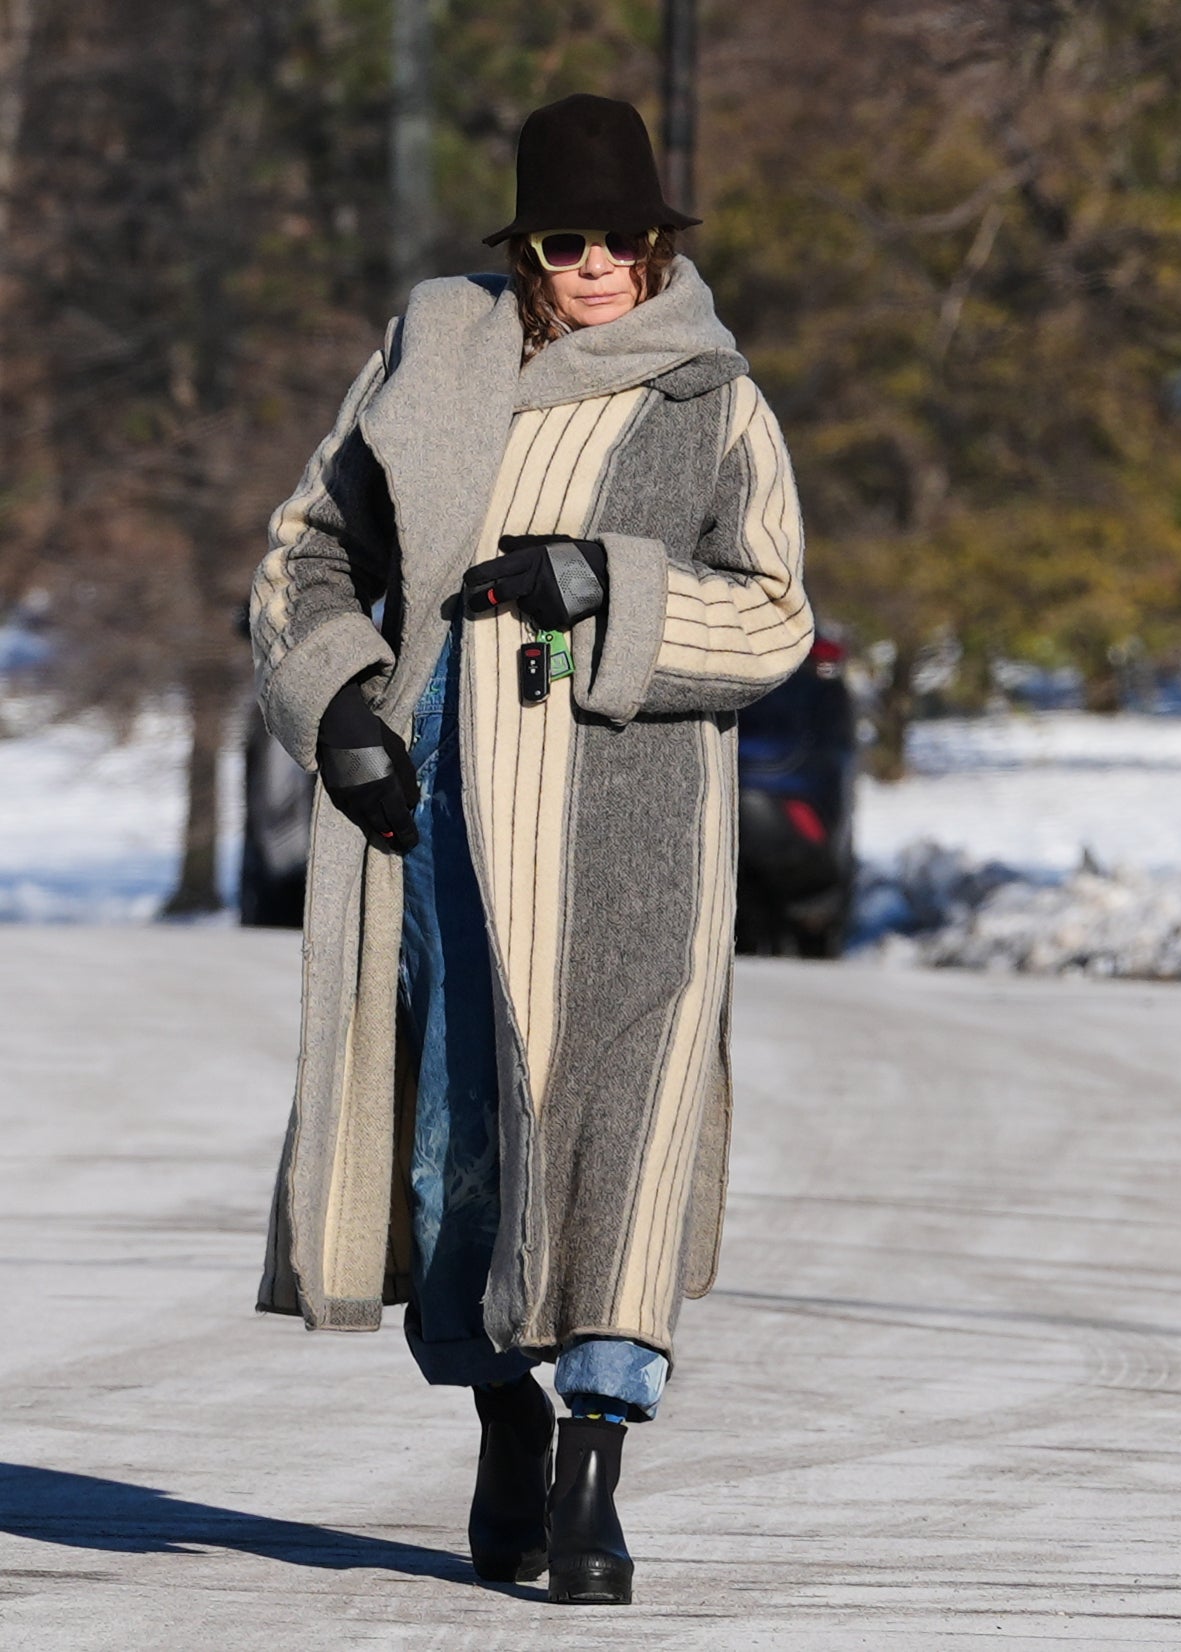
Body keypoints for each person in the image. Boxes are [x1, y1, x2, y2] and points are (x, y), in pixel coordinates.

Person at [246, 93, 812, 1606]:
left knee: (624, 1130)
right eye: (572, 240)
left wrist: (607, 586)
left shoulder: (712, 400)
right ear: (525, 246)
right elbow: (308, 545)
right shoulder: (429, 359)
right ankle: (503, 1421)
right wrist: (345, 706)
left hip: (634, 829)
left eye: (631, 238)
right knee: (458, 1139)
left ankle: (594, 1472)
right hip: (428, 814)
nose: (605, 265)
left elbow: (774, 617)